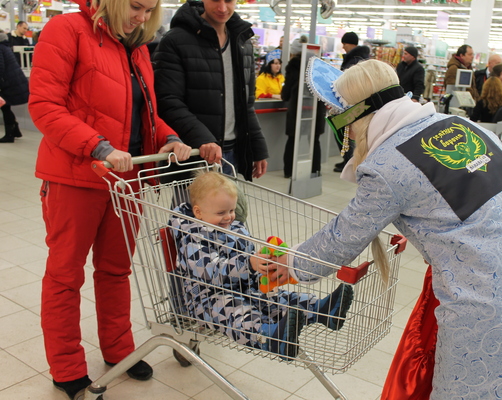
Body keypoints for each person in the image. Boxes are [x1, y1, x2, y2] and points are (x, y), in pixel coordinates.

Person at [280, 58, 502, 398]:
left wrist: (288, 263)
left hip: (494, 313)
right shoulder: (462, 126)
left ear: (354, 117)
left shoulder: (387, 165)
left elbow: (339, 241)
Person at [28, 0, 193, 397]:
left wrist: (168, 137)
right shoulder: (67, 30)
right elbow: (45, 106)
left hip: (126, 180)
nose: (142, 18)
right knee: (65, 275)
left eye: (149, 10)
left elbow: (142, 113)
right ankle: (66, 367)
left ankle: (119, 351)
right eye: (136, 7)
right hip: (75, 176)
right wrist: (97, 146)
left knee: (116, 270)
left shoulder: (135, 48)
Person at [169, 171, 354, 358]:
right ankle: (268, 337)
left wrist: (264, 267)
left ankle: (323, 310)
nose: (229, 217)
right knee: (237, 311)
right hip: (209, 299)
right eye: (221, 213)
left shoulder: (235, 228)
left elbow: (249, 258)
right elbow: (212, 272)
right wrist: (248, 264)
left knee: (277, 299)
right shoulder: (192, 239)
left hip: (245, 288)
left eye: (231, 210)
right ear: (198, 212)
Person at [153, 0, 268, 180]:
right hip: (192, 153)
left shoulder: (242, 42)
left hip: (231, 154)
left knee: (229, 200)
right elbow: (168, 100)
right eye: (215, 0)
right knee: (190, 200)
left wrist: (258, 147)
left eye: (228, 1)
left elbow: (246, 103)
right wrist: (203, 138)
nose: (222, 8)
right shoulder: (176, 40)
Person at [280, 36, 325, 178]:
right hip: (316, 109)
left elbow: (286, 92)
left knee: (293, 141)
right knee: (314, 142)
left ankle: (289, 171)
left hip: (298, 109)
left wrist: (285, 95)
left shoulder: (294, 64)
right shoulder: (318, 63)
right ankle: (315, 170)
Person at [334, 32, 370, 173]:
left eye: (344, 44)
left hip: (351, 104)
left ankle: (350, 162)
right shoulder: (360, 59)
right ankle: (347, 161)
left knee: (345, 133)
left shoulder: (355, 60)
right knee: (347, 133)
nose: (343, 47)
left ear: (351, 44)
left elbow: (349, 82)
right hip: (356, 104)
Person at [0, 32, 28, 142]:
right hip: (12, 81)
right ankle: (15, 131)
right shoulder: (5, 46)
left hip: (8, 82)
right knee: (5, 106)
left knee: (5, 107)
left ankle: (10, 134)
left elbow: (0, 67)